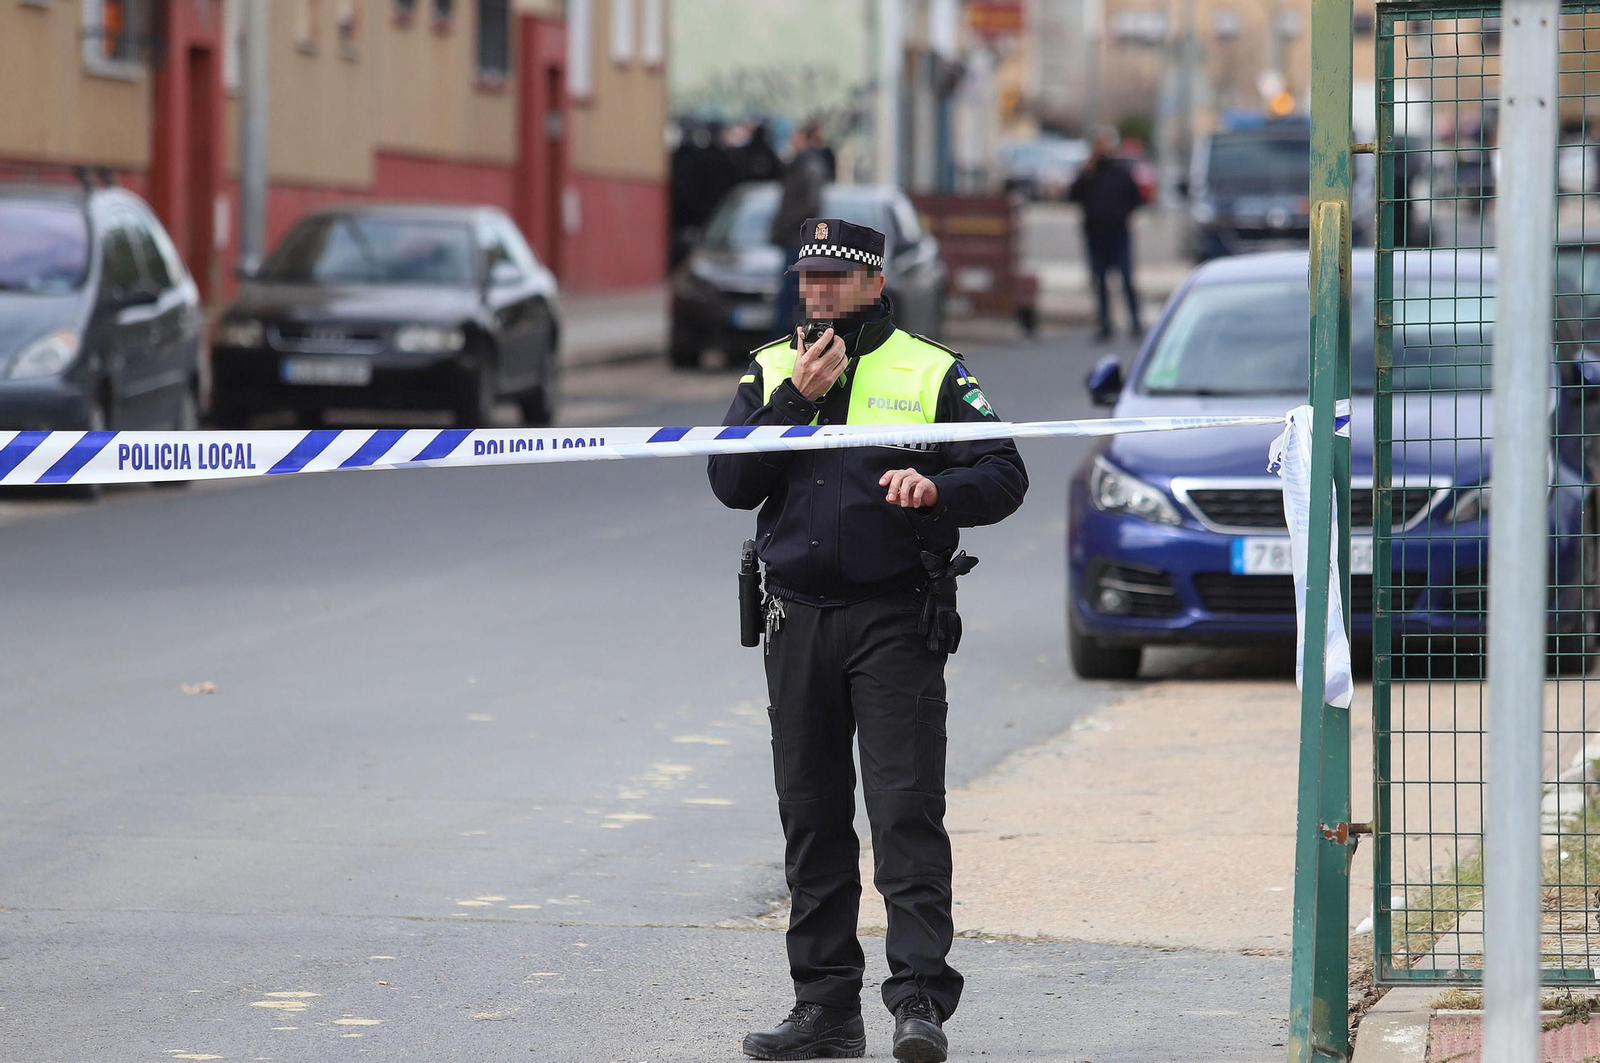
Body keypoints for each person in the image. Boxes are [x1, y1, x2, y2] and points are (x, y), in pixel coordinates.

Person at [709, 219, 1029, 1063]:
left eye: (832, 278)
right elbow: (730, 479)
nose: (815, 291)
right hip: (797, 619)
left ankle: (918, 1000)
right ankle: (824, 1007)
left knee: (903, 812)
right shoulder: (775, 367)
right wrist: (797, 403)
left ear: (873, 283)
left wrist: (938, 483)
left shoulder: (932, 368)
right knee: (812, 817)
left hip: (895, 620)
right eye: (806, 277)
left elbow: (1005, 474)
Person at [1067, 125, 1147, 340]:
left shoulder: (1121, 172)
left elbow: (1137, 200)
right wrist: (1086, 173)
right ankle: (1105, 323)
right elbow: (1072, 196)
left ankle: (1135, 322)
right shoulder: (1089, 173)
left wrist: (1121, 213)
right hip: (1095, 234)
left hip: (1118, 233)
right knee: (1099, 280)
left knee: (1126, 278)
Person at [768, 122, 832, 336]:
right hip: (792, 238)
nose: (791, 141)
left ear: (804, 138)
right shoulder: (801, 164)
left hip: (797, 240)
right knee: (790, 296)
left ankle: (787, 341)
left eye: (795, 136)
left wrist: (788, 224)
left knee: (792, 298)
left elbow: (810, 205)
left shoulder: (809, 166)